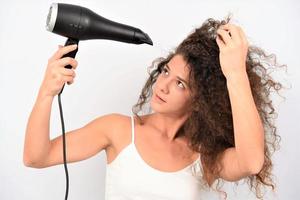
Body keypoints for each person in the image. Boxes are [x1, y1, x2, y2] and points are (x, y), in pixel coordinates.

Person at [23, 16, 284, 200]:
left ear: (201, 100)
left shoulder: (203, 158)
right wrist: (46, 91)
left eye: (180, 84)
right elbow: (36, 157)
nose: (163, 85)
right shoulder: (118, 130)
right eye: (166, 71)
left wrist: (235, 72)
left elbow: (251, 162)